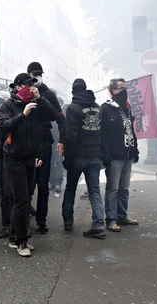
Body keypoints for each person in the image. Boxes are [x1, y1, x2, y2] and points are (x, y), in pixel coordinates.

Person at [0, 73, 56, 257]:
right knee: (21, 199)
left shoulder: (36, 104)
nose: (30, 88)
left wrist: (41, 99)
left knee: (25, 198)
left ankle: (15, 238)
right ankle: (21, 241)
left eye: (32, 85)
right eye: (26, 85)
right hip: (13, 158)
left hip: (30, 158)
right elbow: (3, 126)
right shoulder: (9, 105)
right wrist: (22, 115)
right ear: (17, 86)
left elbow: (51, 117)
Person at [61, 79, 106, 239]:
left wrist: (68, 157)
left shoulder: (73, 108)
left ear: (74, 91)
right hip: (95, 155)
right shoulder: (97, 108)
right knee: (94, 190)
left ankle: (68, 220)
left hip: (78, 156)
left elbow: (71, 135)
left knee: (70, 188)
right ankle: (99, 225)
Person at [27, 62, 66, 234]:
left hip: (44, 142)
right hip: (26, 144)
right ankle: (24, 217)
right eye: (33, 74)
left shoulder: (48, 94)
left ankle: (41, 221)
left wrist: (62, 140)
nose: (36, 77)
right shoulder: (23, 92)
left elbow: (58, 117)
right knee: (27, 184)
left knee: (43, 184)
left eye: (39, 74)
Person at [101, 78, 140, 233]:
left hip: (128, 153)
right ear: (113, 91)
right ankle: (111, 219)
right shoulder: (106, 108)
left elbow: (131, 130)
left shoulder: (127, 108)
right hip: (114, 155)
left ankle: (122, 216)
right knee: (113, 188)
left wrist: (135, 150)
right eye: (121, 88)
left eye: (126, 88)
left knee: (124, 188)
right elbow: (102, 135)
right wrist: (106, 155)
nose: (124, 91)